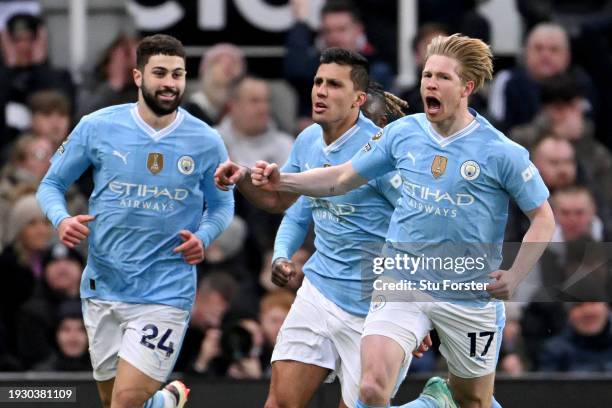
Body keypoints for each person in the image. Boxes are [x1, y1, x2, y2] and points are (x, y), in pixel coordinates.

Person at [250, 34, 556, 407]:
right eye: (427, 75)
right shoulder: (402, 133)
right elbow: (340, 177)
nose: (430, 84)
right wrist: (284, 180)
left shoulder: (500, 152)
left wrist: (516, 275)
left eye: (443, 77)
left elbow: (543, 218)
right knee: (372, 388)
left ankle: (434, 404)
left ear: (466, 87)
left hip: (469, 293)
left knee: (473, 401)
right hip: (402, 282)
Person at [215, 47, 422, 408]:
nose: (321, 91)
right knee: (279, 403)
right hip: (320, 293)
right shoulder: (308, 140)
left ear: (358, 98)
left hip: (374, 309)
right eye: (318, 82)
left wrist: (414, 312)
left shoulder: (381, 153)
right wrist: (280, 252)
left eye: (334, 85)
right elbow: (288, 206)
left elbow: (418, 228)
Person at [36, 34, 234, 408]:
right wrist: (60, 220)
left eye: (178, 74)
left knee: (125, 403)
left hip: (165, 289)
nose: (170, 83)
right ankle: (165, 401)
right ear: (138, 76)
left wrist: (204, 237)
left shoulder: (206, 140)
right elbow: (51, 184)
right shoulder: (97, 126)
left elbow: (222, 206)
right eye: (160, 73)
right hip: (103, 285)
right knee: (115, 403)